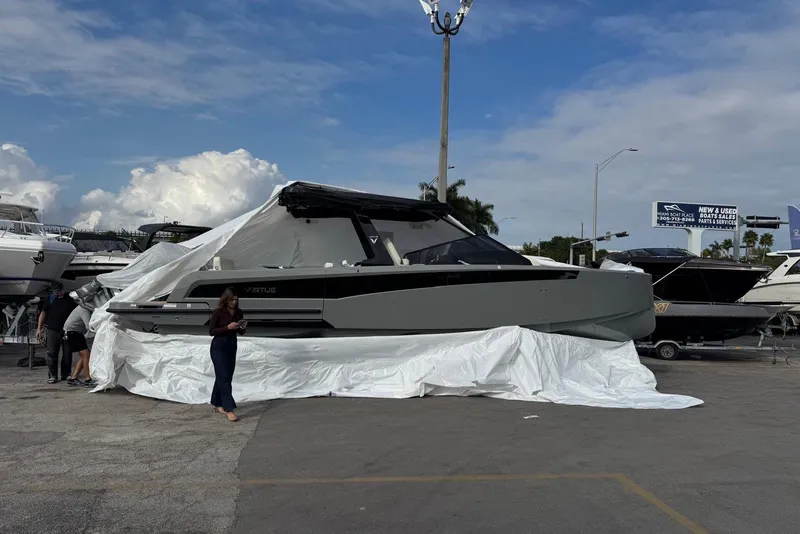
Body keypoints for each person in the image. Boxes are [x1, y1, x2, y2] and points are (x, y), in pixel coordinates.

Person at [208, 287, 246, 422]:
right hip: (218, 346)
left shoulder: (238, 312)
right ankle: (229, 408)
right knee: (223, 376)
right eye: (231, 300)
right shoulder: (218, 312)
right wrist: (227, 328)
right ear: (226, 299)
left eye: (236, 300)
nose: (234, 302)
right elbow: (211, 331)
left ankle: (216, 402)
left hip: (231, 345)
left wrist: (242, 327)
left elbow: (240, 332)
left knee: (226, 375)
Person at [36, 282, 77, 384]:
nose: (57, 293)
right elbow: (43, 313)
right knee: (52, 353)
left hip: (67, 330)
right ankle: (53, 375)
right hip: (52, 329)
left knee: (67, 353)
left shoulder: (69, 300)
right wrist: (39, 328)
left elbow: (76, 313)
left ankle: (66, 374)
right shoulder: (49, 299)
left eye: (59, 291)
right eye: (55, 292)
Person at [63, 304, 95, 387]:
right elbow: (89, 326)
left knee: (84, 355)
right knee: (86, 354)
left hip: (74, 332)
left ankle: (73, 378)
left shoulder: (83, 308)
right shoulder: (84, 309)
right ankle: (88, 379)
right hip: (72, 332)